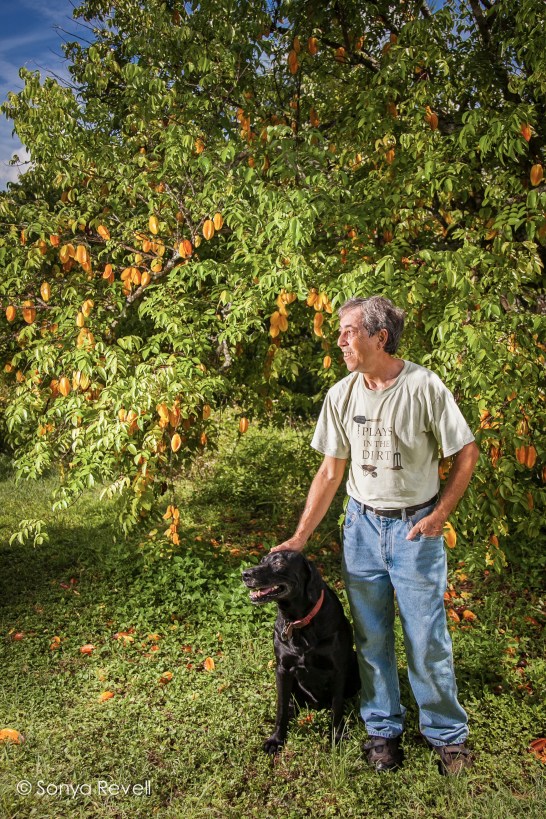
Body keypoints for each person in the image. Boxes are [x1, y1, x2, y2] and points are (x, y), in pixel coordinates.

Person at [272, 295, 479, 775]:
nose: (340, 341)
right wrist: (300, 538)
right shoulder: (341, 394)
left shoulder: (423, 386)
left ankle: (446, 735)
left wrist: (440, 515)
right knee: (370, 636)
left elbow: (466, 452)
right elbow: (330, 472)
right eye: (340, 333)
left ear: (379, 337)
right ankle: (383, 729)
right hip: (361, 528)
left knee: (426, 638)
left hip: (414, 529)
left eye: (349, 332)